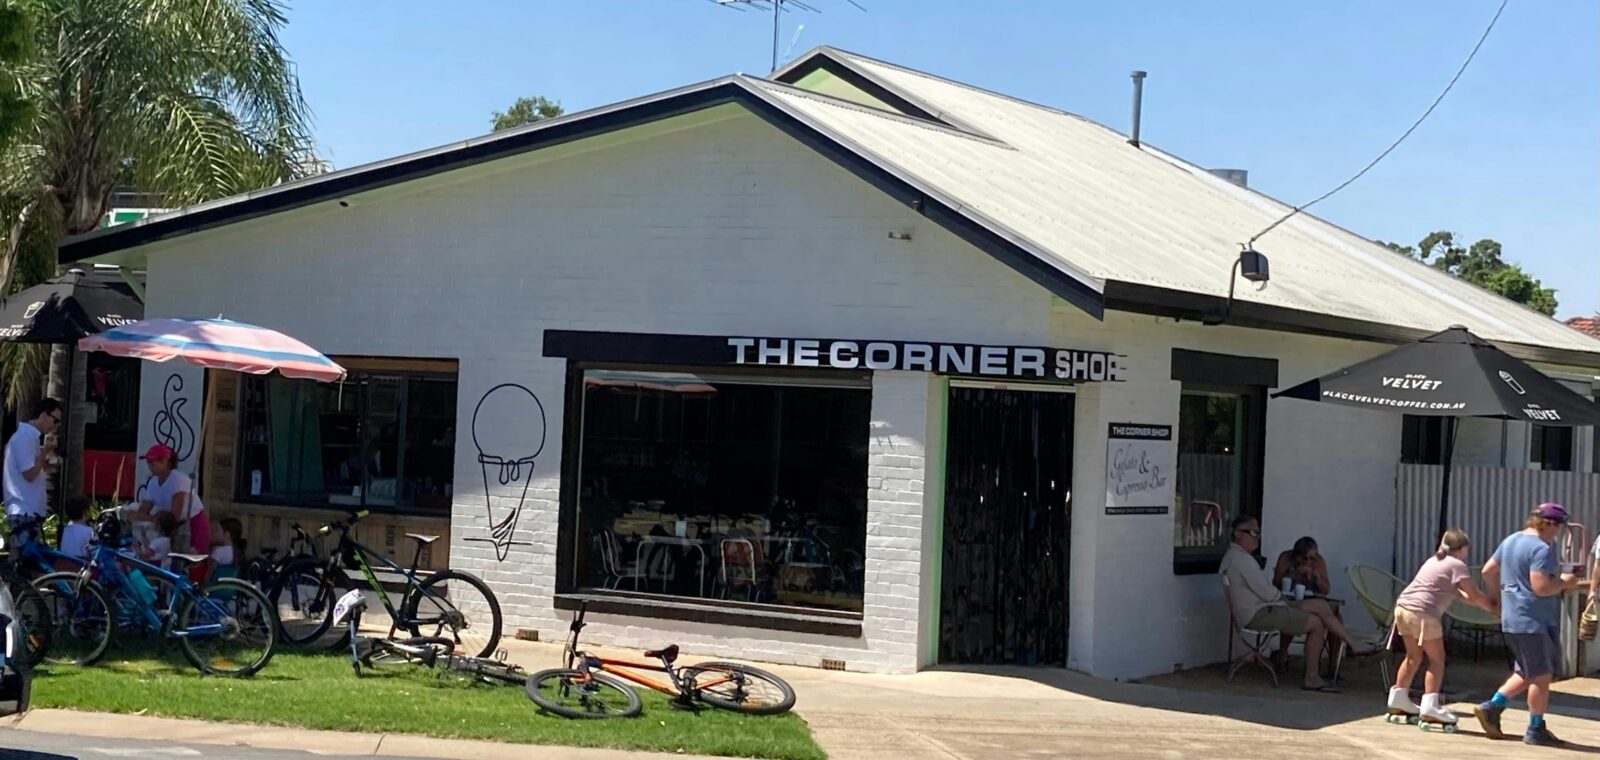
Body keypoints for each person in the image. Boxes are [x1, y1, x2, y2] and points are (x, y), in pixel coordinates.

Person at [1219, 516, 1375, 692]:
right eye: (1253, 533)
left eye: (1259, 533)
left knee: (1320, 606)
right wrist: (1285, 594)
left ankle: (1352, 643)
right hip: (1259, 612)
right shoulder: (1242, 560)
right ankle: (1312, 677)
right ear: (1238, 535)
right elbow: (1266, 591)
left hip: (1266, 606)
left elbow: (1270, 591)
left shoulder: (1236, 557)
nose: (1258, 537)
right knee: (1317, 623)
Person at [1474, 503, 1583, 747]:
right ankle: (1535, 728)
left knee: (1526, 671)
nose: (1559, 533)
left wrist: (1499, 599)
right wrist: (1565, 582)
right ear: (1551, 525)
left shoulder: (1511, 540)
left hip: (1513, 618)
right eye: (1559, 528)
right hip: (1533, 621)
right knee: (1541, 677)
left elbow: (1488, 571)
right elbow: (1541, 587)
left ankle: (1492, 706)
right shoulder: (1541, 548)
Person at [1386, 529, 1496, 728]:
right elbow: (1473, 594)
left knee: (1413, 656)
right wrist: (1495, 608)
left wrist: (1487, 607)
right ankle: (1430, 707)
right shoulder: (1457, 565)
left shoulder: (1434, 560)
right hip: (1424, 613)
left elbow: (1459, 595)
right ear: (1462, 549)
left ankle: (1398, 698)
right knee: (1437, 661)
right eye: (1466, 549)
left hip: (1403, 608)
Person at [2, 398, 61, 550]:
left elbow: (31, 469)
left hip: (28, 511)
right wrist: (45, 452)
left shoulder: (30, 437)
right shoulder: (24, 438)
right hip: (23, 511)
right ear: (43, 415)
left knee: (29, 560)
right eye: (55, 420)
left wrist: (45, 464)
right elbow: (29, 474)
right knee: (25, 561)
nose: (55, 426)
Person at [134, 443, 208, 554]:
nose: (149, 465)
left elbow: (174, 515)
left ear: (164, 461)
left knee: (191, 562)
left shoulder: (178, 480)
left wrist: (153, 519)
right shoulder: (153, 482)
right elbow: (142, 511)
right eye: (148, 462)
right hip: (169, 528)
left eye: (152, 462)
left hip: (192, 525)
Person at [58, 497, 94, 562]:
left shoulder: (65, 530)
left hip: (63, 561)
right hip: (80, 564)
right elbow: (93, 552)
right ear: (85, 513)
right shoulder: (89, 531)